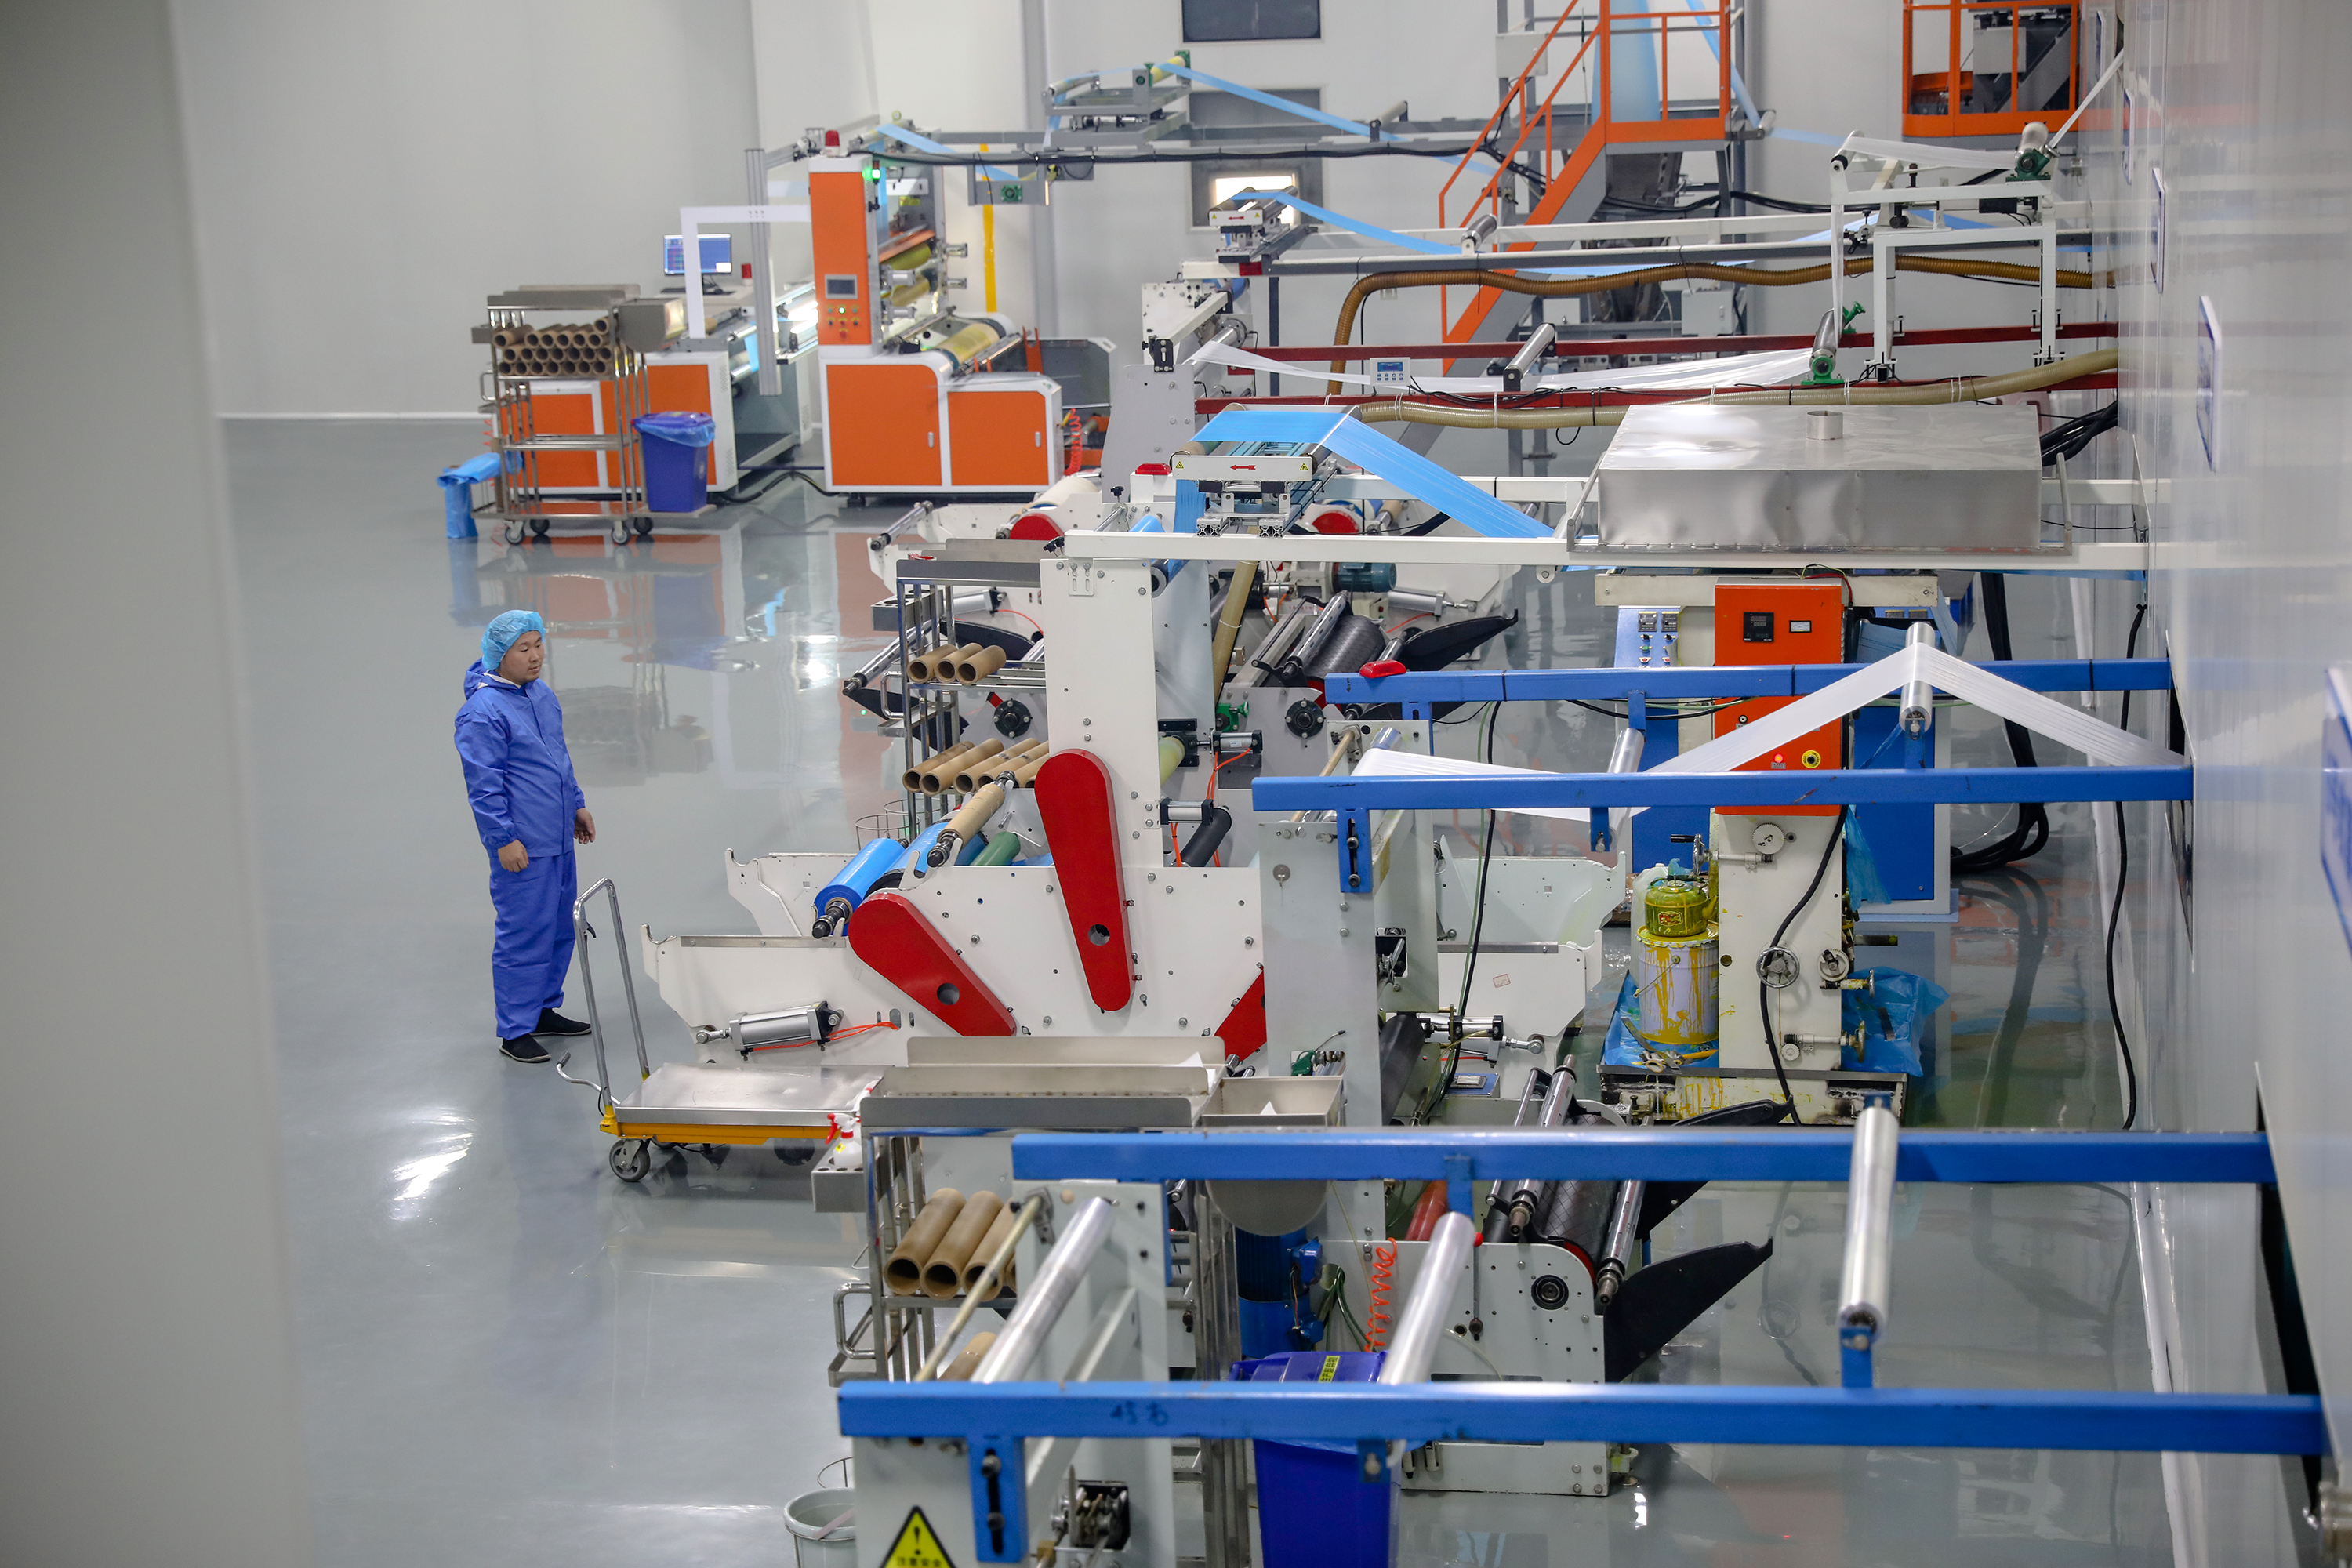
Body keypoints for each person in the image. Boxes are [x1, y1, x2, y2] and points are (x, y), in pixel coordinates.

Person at [455, 610, 597, 1063]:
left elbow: (558, 757)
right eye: (524, 648)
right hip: (524, 844)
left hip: (557, 836)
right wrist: (503, 839)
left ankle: (541, 1011)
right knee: (523, 935)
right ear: (500, 654)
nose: (536, 656)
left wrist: (576, 804)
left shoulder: (541, 695)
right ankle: (515, 1030)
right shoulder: (482, 713)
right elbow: (484, 786)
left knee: (559, 929)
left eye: (539, 645)